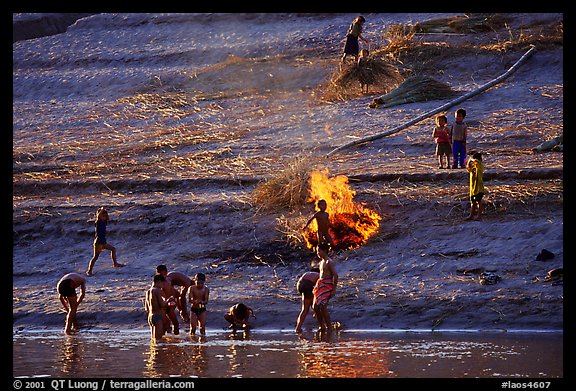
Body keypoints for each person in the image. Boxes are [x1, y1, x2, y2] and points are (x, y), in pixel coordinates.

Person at [86, 207, 124, 276]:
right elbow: (99, 215)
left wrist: (106, 212)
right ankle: (89, 271)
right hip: (98, 242)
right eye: (103, 216)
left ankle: (115, 264)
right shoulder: (98, 222)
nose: (104, 217)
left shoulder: (104, 222)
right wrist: (102, 209)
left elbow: (107, 218)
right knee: (95, 257)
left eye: (105, 216)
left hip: (103, 242)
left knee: (113, 249)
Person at [312, 242, 338, 332]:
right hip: (320, 285)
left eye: (319, 251)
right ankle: (322, 326)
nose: (318, 253)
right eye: (317, 251)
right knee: (315, 307)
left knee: (323, 307)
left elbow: (335, 275)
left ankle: (329, 328)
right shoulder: (321, 262)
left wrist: (334, 289)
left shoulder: (328, 262)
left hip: (327, 285)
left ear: (325, 251)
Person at [154, 265, 182, 335]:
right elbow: (158, 293)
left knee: (175, 323)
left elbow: (174, 292)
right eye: (160, 274)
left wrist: (178, 304)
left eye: (163, 274)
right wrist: (167, 300)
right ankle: (166, 341)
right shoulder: (159, 284)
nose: (163, 275)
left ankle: (173, 340)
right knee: (166, 325)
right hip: (164, 306)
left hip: (169, 305)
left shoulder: (168, 281)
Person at [145, 273, 170, 340]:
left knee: (153, 339)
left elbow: (146, 308)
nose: (163, 286)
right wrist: (168, 301)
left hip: (150, 317)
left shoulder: (148, 291)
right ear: (159, 282)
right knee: (159, 340)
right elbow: (162, 305)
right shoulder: (157, 291)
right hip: (157, 316)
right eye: (163, 284)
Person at [295, 267, 320, 332]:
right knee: (306, 309)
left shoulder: (307, 273)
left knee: (309, 305)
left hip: (300, 285)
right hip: (308, 285)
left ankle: (298, 327)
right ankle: (298, 328)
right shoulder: (319, 275)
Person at [466, 151, 485, 221]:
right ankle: (471, 216)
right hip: (473, 189)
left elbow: (477, 162)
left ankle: (479, 216)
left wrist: (471, 159)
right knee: (473, 202)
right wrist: (469, 162)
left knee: (479, 202)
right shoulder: (474, 168)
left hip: (479, 188)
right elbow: (468, 168)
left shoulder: (480, 166)